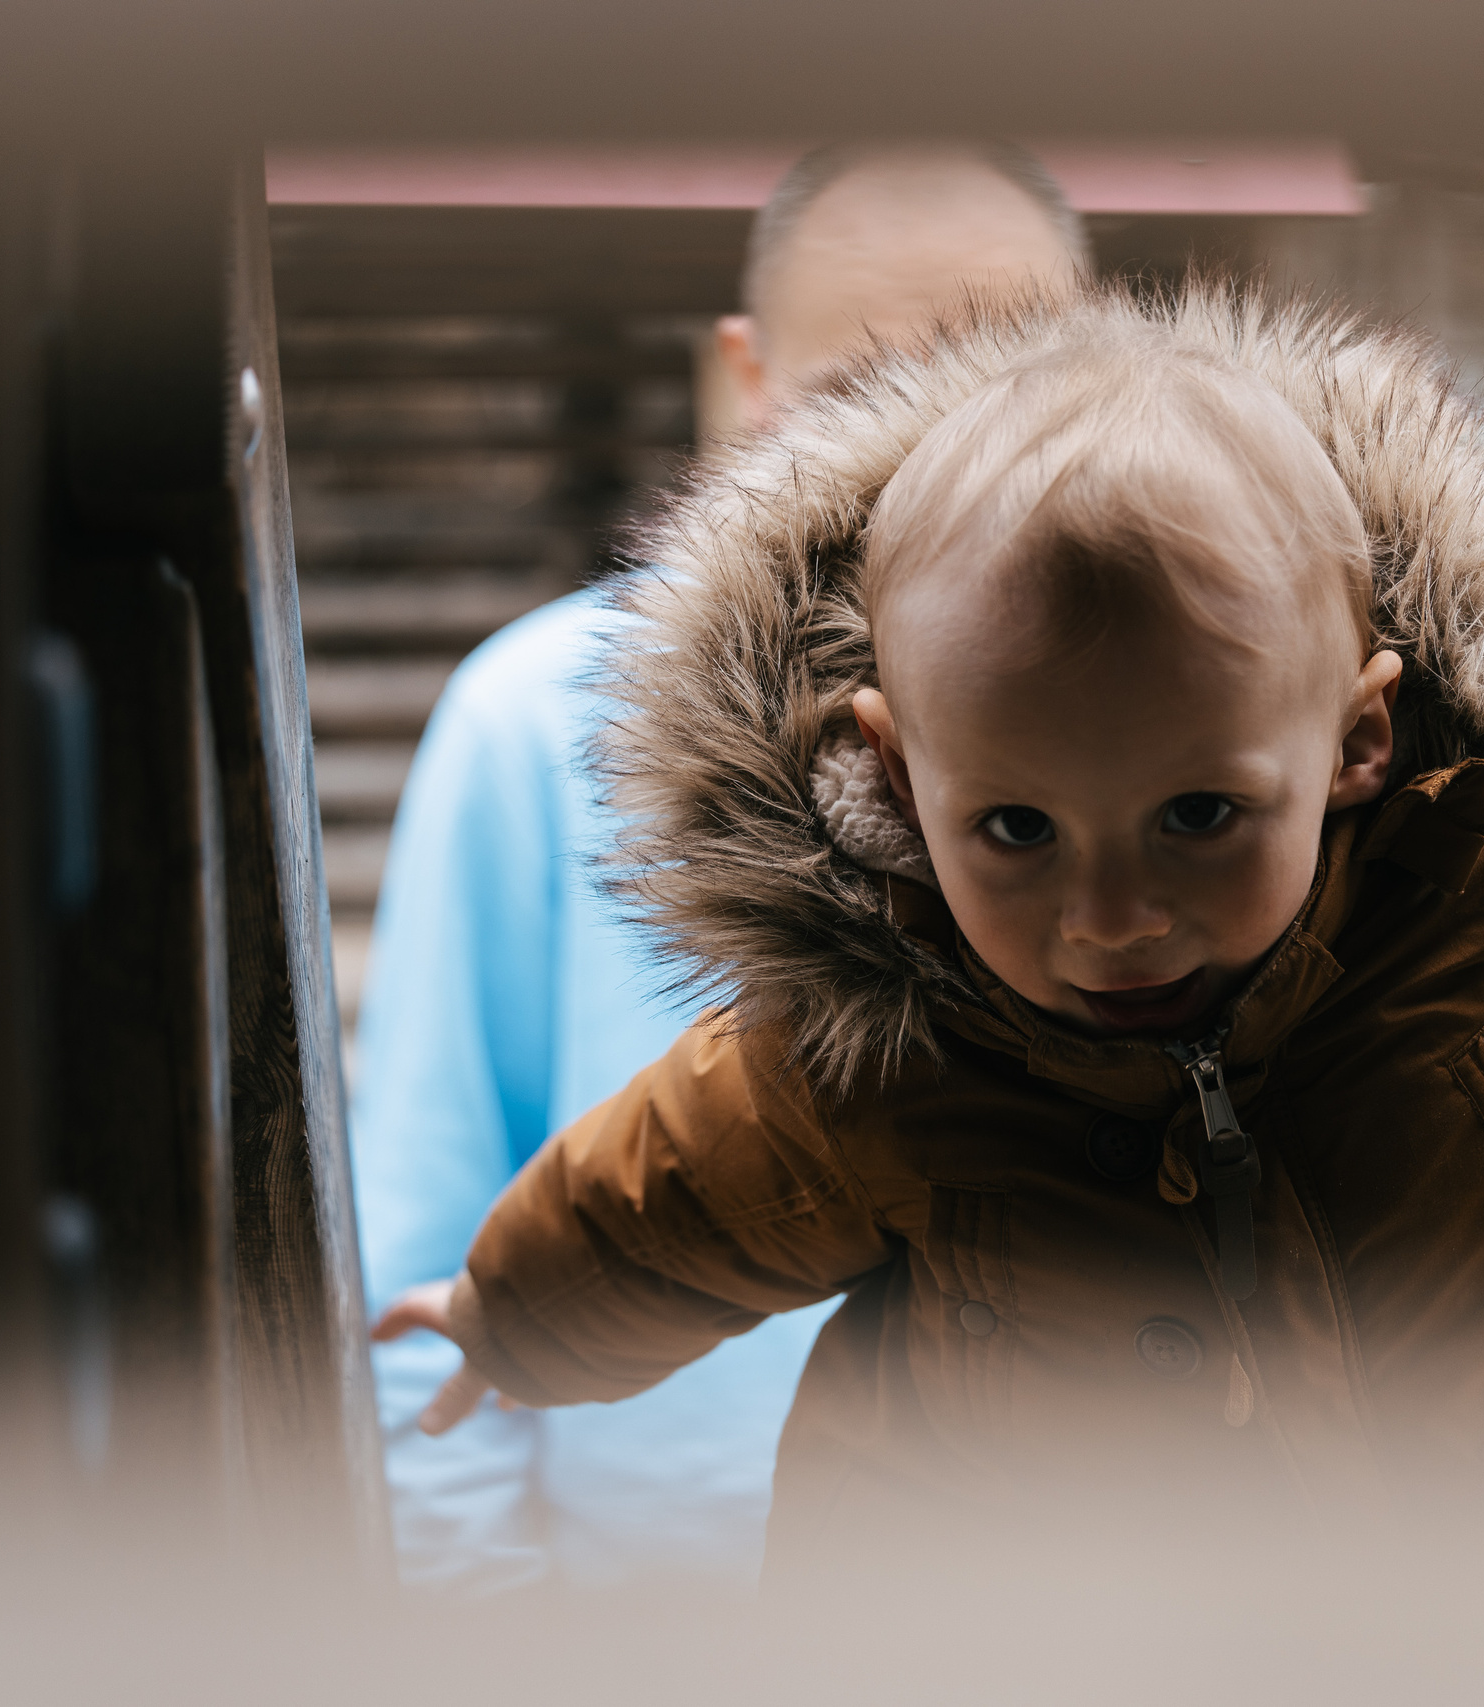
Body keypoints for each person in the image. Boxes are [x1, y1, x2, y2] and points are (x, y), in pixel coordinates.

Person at [374, 279, 1484, 1584]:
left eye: (1199, 816)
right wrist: (514, 1315)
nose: (1109, 920)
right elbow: (671, 1198)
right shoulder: (885, 1054)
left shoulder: (1478, 895)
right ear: (901, 778)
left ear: (1356, 743)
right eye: (1017, 833)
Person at [353, 141, 1090, 1594]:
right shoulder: (543, 721)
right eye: (859, 403)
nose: (924, 469)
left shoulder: (1194, 760)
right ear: (741, 381)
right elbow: (414, 1275)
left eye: (1000, 396)